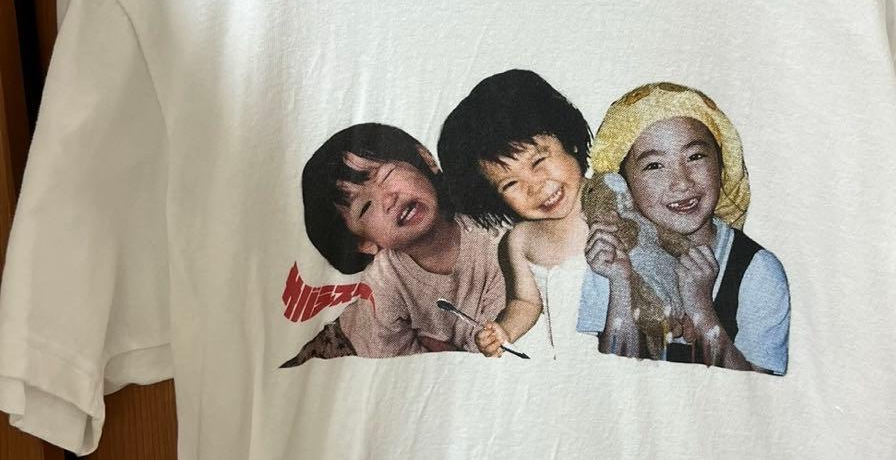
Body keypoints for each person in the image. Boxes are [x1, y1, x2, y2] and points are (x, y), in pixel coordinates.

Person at [577, 82, 790, 373]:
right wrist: (620, 283)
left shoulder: (757, 270)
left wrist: (701, 310)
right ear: (623, 182)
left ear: (722, 164)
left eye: (695, 157)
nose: (681, 182)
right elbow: (610, 376)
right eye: (654, 165)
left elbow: (760, 390)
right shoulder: (612, 254)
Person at [281, 123, 504, 364]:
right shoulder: (384, 282)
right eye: (365, 207)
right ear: (364, 242)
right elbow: (395, 367)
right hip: (345, 345)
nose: (388, 199)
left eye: (386, 175)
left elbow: (503, 335)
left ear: (425, 159)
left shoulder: (491, 232)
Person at [437, 70, 592, 359]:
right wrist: (504, 331)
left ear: (569, 141)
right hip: (575, 363)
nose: (534, 186)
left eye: (538, 161)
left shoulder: (617, 195)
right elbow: (525, 302)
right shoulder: (520, 241)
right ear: (494, 198)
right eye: (510, 184)